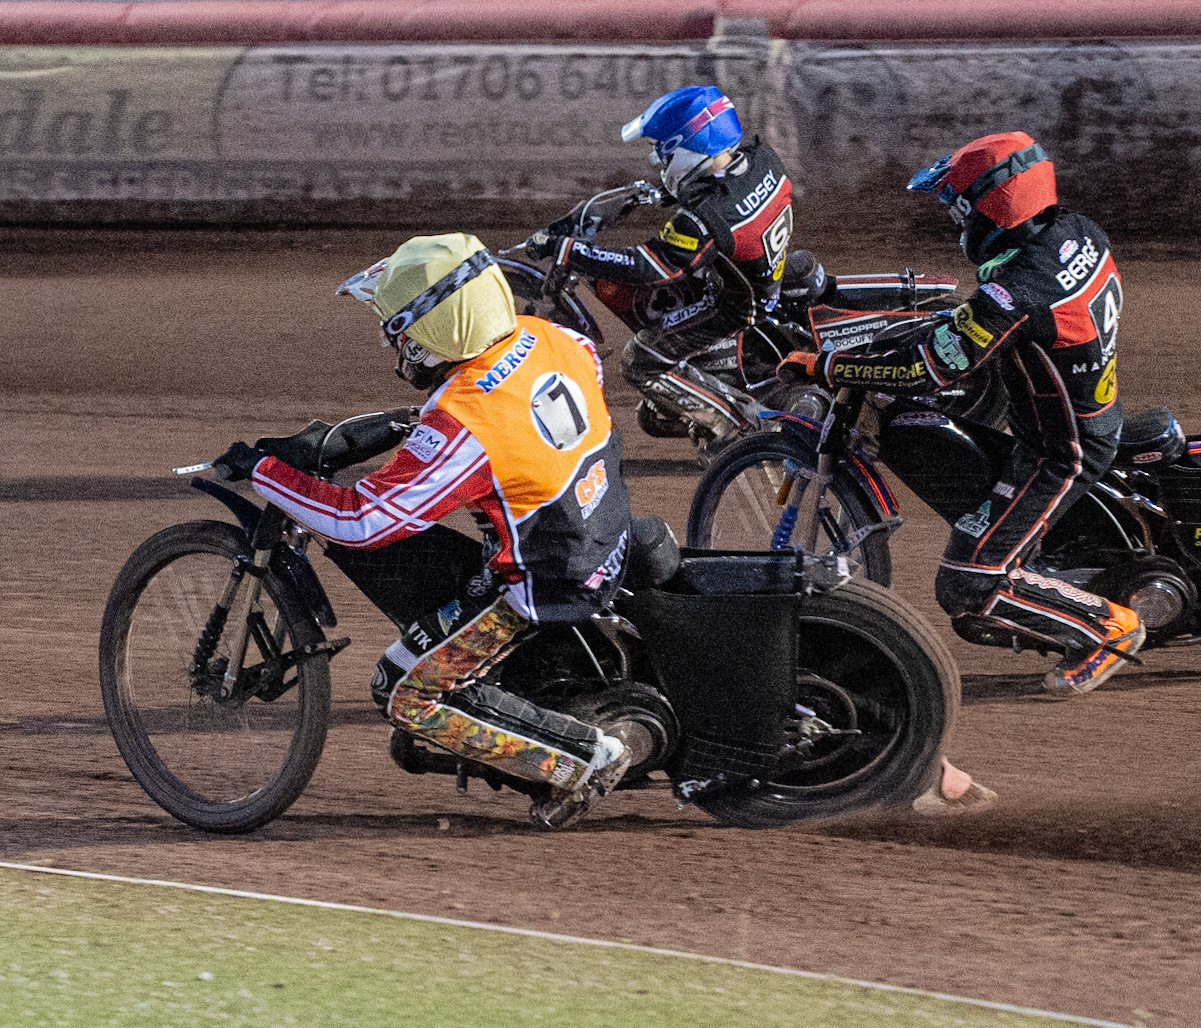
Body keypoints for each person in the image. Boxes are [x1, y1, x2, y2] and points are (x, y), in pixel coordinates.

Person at [213, 232, 634, 822]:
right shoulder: (557, 339)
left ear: (432, 329)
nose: (394, 337)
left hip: (542, 580)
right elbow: (515, 423)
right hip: (603, 531)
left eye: (398, 325)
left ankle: (580, 762)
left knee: (402, 690)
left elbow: (361, 522)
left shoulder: (464, 423)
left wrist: (264, 472)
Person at [779, 132, 1145, 697]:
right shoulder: (1076, 233)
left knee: (966, 583)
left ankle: (1107, 628)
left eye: (960, 208)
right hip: (1068, 409)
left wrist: (828, 368)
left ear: (996, 204)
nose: (957, 223)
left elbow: (926, 371)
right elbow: (982, 330)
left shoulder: (1019, 290)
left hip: (1060, 449)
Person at [526, 84, 803, 453]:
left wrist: (571, 252)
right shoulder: (762, 158)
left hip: (734, 308)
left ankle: (739, 425)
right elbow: (723, 186)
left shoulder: (705, 219)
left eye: (664, 150)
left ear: (691, 145)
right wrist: (659, 193)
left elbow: (646, 266)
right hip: (756, 273)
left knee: (640, 359)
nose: (659, 158)